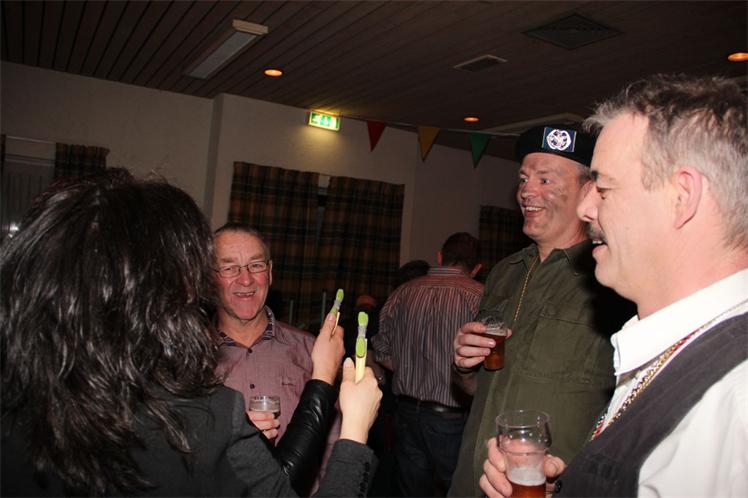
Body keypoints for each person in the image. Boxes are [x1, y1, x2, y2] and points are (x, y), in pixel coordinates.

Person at [0, 170, 382, 497]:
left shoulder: (21, 403)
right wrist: (354, 424)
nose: (244, 279)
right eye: (224, 268)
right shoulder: (192, 397)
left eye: (255, 266)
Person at [480, 73, 748, 497]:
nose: (586, 208)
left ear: (682, 196)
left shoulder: (736, 401)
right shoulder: (673, 345)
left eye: (603, 188)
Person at [449, 124, 634, 497]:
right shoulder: (504, 272)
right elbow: (482, 387)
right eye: (523, 179)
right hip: (472, 483)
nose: (526, 191)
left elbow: (636, 407)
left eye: (545, 180)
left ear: (589, 191)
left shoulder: (615, 280)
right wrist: (464, 367)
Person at [211, 222, 343, 495]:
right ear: (209, 278)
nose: (245, 279)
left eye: (256, 265)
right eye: (230, 268)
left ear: (270, 272)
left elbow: (335, 444)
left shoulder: (313, 351)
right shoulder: (188, 360)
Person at [372, 232, 484, 496]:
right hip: (452, 416)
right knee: (460, 490)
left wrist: (410, 369)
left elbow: (381, 350)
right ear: (477, 268)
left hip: (406, 412)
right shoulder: (480, 296)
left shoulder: (403, 292)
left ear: (440, 256)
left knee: (412, 492)